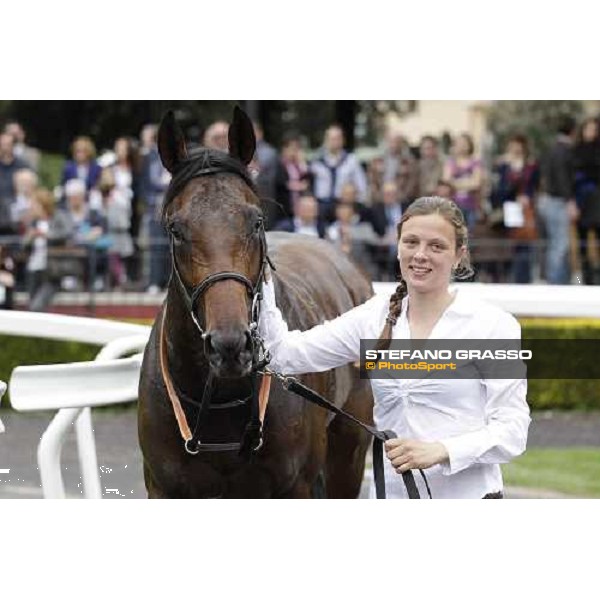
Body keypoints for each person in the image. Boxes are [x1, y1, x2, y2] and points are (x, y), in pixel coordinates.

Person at [258, 196, 530, 499]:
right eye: (411, 242)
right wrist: (264, 280)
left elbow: (513, 430)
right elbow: (282, 355)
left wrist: (441, 451)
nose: (420, 255)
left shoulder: (494, 326)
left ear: (459, 255)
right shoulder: (372, 317)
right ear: (398, 246)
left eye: (436, 246)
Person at [490, 134, 540, 283]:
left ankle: (523, 279)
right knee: (506, 244)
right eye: (512, 145)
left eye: (518, 145)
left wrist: (527, 197)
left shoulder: (531, 165)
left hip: (525, 209)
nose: (515, 149)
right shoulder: (503, 165)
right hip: (507, 207)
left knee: (524, 243)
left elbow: (535, 185)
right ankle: (504, 278)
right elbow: (498, 188)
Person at [538, 115, 578, 285]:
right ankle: (554, 284)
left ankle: (558, 280)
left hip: (546, 200)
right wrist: (570, 201)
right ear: (573, 131)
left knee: (554, 243)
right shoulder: (564, 151)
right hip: (558, 201)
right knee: (560, 244)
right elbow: (562, 178)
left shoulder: (550, 149)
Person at [310, 125, 368, 223]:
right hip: (321, 206)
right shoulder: (317, 162)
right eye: (331, 139)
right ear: (326, 141)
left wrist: (357, 205)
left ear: (343, 140)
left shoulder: (351, 160)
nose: (334, 142)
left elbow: (361, 185)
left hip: (343, 206)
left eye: (337, 138)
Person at [573, 118, 600, 285]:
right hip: (581, 199)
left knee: (598, 235)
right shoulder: (576, 150)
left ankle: (597, 274)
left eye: (594, 129)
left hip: (597, 198)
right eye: (588, 129)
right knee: (581, 237)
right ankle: (584, 276)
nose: (591, 132)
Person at [443, 133, 483, 230]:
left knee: (470, 236)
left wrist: (456, 183)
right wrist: (468, 182)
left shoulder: (476, 162)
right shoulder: (450, 162)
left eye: (465, 143)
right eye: (459, 143)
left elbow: (477, 183)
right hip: (453, 206)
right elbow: (446, 181)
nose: (462, 146)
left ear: (470, 145)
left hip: (471, 205)